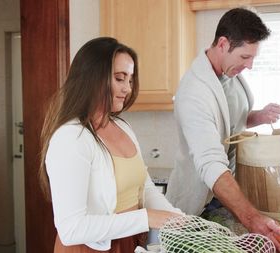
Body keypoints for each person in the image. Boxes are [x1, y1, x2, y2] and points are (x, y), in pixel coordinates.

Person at [38, 37, 182, 253]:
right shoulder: (71, 138)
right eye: (119, 78)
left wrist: (178, 219)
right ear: (93, 78)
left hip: (128, 242)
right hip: (88, 249)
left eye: (130, 80)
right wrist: (147, 218)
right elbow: (71, 229)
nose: (127, 88)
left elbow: (146, 188)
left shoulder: (123, 127)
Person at [165, 7, 280, 251]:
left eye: (253, 57)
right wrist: (252, 218)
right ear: (223, 44)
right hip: (199, 203)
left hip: (226, 195)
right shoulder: (194, 92)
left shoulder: (229, 75)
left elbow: (230, 123)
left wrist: (258, 117)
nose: (250, 66)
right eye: (245, 57)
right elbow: (211, 163)